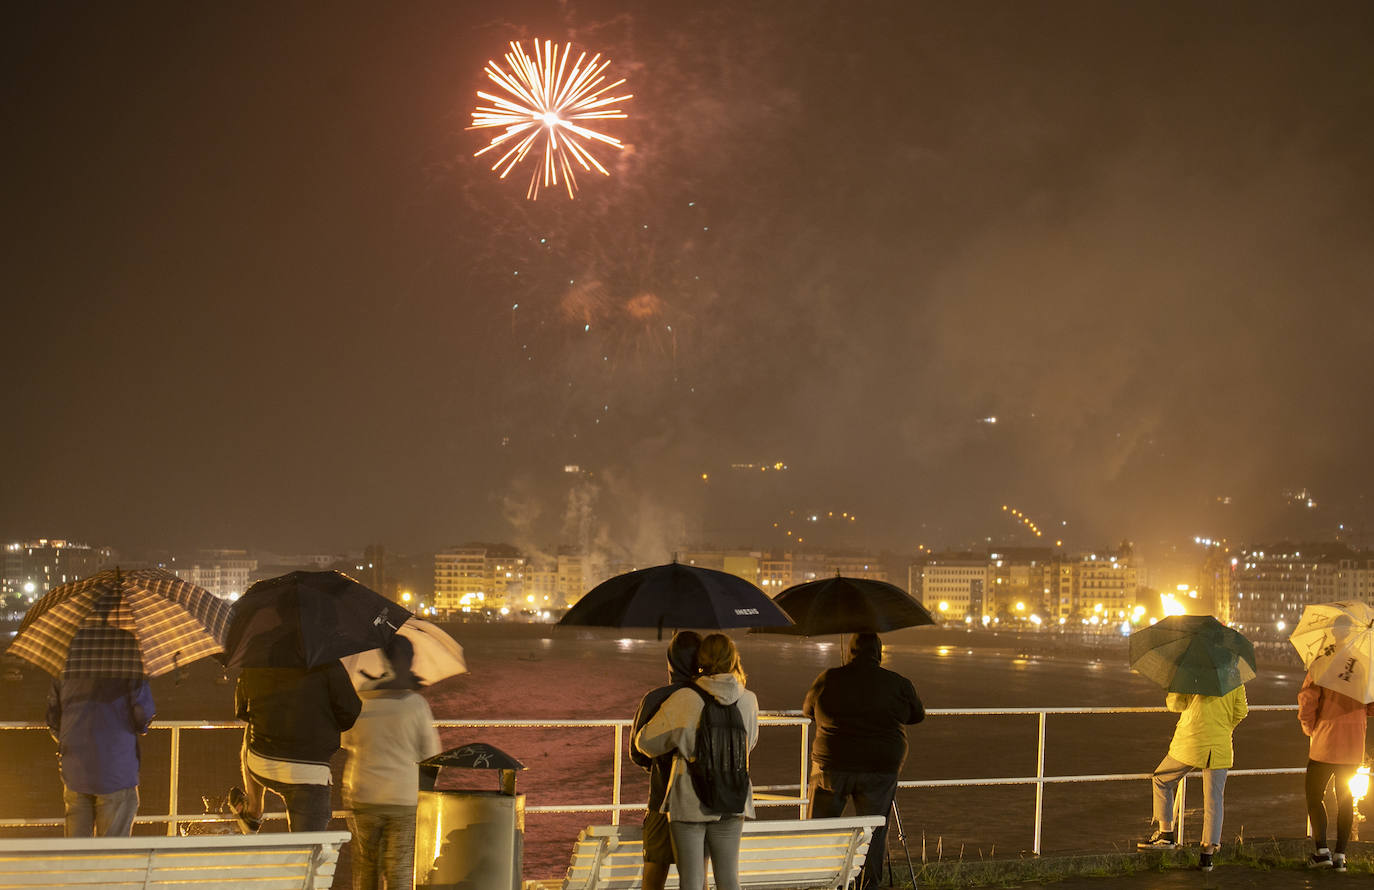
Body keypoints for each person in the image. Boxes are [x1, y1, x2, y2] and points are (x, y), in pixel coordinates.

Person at [635, 633, 759, 890]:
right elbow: (751, 742)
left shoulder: (685, 698)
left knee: (691, 881)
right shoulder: (749, 699)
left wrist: (681, 741)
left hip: (690, 801)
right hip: (733, 799)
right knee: (729, 879)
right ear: (734, 659)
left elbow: (645, 743)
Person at [802, 632, 924, 890]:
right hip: (880, 769)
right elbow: (916, 714)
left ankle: (822, 882)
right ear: (879, 653)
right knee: (872, 834)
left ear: (850, 652)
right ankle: (867, 885)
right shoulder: (897, 683)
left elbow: (808, 710)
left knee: (821, 831)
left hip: (831, 766)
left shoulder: (829, 678)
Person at [342, 635, 443, 889]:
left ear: (383, 658)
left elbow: (346, 740)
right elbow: (432, 756)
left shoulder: (361, 699)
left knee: (366, 871)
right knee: (399, 873)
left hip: (362, 793)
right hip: (403, 798)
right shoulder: (416, 704)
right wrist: (426, 798)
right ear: (409, 660)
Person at [229, 653, 362, 833]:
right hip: (309, 774)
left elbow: (243, 712)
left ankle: (253, 809)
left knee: (252, 730)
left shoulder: (256, 657)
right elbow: (350, 712)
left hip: (263, 764)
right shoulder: (325, 661)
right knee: (307, 853)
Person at [1136, 683, 1249, 872]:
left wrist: (1175, 684)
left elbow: (1175, 705)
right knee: (1214, 799)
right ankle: (1207, 856)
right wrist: (1223, 728)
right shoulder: (1235, 677)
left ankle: (1165, 834)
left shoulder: (1192, 675)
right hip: (1220, 745)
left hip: (1192, 742)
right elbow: (1241, 711)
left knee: (1161, 779)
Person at [629, 631, 703, 890]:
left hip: (662, 800)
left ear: (670, 663)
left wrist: (659, 764)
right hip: (701, 805)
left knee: (652, 881)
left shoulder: (656, 698)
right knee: (696, 879)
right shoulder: (711, 698)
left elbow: (636, 752)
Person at [46, 672, 156, 836]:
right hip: (116, 768)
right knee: (112, 852)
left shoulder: (67, 666)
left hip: (75, 769)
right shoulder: (129, 668)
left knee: (76, 852)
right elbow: (143, 715)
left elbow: (53, 719)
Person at [1298, 666, 1374, 871]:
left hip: (1325, 741)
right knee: (1346, 800)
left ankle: (1322, 852)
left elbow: (1307, 699)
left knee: (1314, 796)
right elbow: (1371, 707)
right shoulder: (1365, 667)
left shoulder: (1324, 664)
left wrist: (1309, 728)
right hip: (1353, 744)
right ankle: (1340, 855)